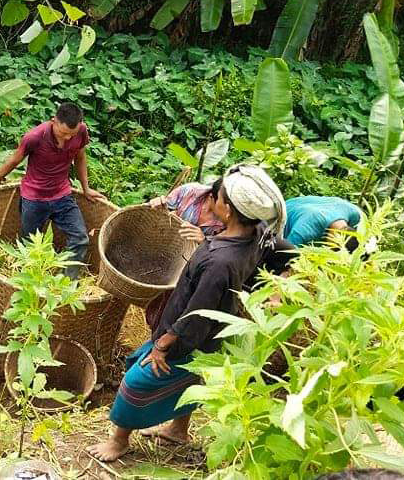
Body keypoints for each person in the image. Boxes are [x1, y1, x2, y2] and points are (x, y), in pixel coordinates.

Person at [87, 165, 291, 462]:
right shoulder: (257, 234)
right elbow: (289, 253)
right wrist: (279, 284)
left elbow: (196, 314)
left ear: (230, 210)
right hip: (214, 334)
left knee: (137, 381)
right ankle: (177, 430)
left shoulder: (220, 262)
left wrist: (162, 345)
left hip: (191, 336)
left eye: (218, 197)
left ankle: (118, 441)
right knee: (191, 381)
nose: (213, 199)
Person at [0, 102, 106, 279]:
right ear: (53, 121)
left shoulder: (81, 131)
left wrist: (85, 188)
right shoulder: (35, 137)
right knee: (30, 247)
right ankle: (30, 282)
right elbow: (14, 161)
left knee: (80, 239)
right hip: (34, 198)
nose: (67, 139)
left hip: (62, 195)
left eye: (72, 135)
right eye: (63, 133)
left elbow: (80, 157)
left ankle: (65, 283)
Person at [144, 179, 227, 330]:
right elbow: (163, 209)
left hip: (188, 270)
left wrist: (204, 240)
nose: (228, 210)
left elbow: (223, 251)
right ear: (211, 197)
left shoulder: (228, 221)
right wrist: (158, 204)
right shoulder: (190, 192)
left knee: (168, 312)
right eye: (224, 203)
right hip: (163, 252)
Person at [284, 196, 362, 249]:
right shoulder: (304, 230)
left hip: (306, 205)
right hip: (281, 214)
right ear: (335, 239)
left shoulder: (355, 214)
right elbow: (285, 255)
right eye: (332, 248)